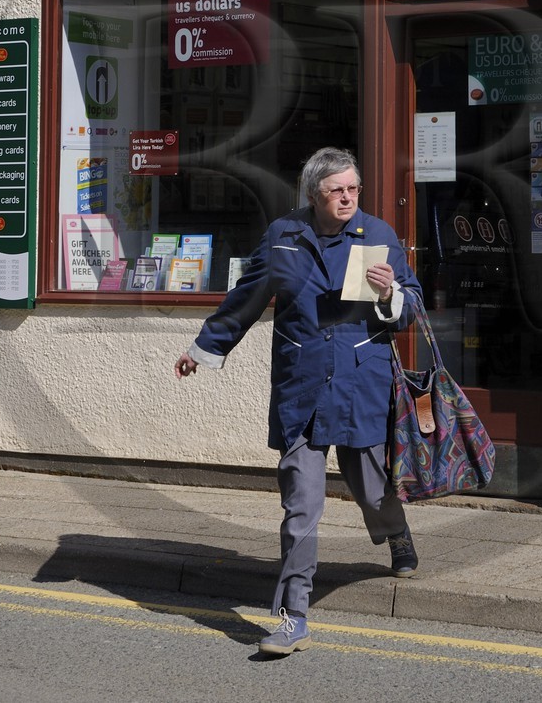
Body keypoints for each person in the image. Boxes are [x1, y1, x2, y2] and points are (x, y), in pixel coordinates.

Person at [174, 147, 423, 656]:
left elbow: (410, 308)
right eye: (338, 190)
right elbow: (246, 296)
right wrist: (205, 347)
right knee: (300, 508)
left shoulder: (377, 235)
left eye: (354, 188)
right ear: (315, 194)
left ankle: (395, 531)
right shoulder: (284, 236)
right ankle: (292, 619)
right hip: (302, 388)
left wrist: (390, 293)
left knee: (372, 489)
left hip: (359, 384)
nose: (349, 198)